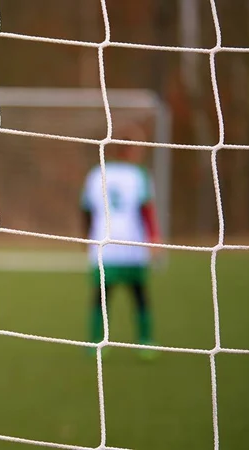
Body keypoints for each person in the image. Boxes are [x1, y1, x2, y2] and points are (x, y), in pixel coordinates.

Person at [80, 125, 161, 359]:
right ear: (131, 150)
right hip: (132, 243)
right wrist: (154, 237)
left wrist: (85, 237)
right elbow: (146, 210)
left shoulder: (96, 173)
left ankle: (96, 342)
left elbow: (85, 210)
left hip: (103, 243)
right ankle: (146, 342)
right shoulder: (139, 175)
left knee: (101, 294)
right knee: (139, 293)